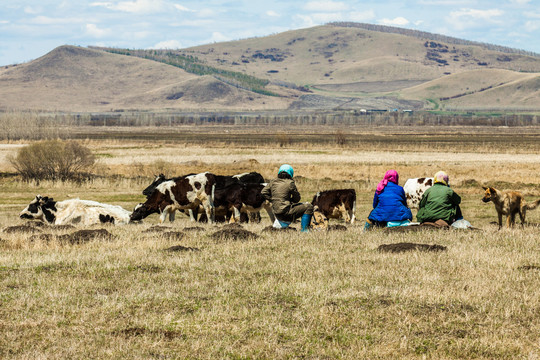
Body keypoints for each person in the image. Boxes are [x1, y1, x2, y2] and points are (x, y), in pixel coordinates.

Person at [261, 164, 314, 232]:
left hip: (277, 213)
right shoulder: (290, 183)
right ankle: (305, 230)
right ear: (290, 174)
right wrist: (289, 200)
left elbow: (263, 192)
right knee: (308, 207)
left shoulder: (273, 181)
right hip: (286, 213)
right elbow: (297, 199)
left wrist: (272, 200)